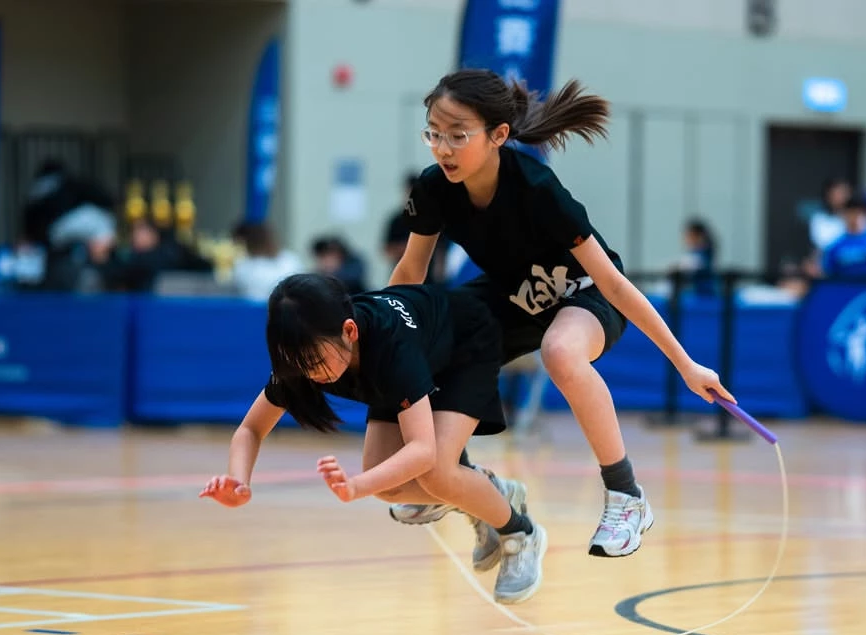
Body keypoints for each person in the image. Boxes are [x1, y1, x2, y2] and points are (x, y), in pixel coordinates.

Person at [385, 69, 734, 558]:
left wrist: (685, 364)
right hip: (512, 296)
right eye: (434, 134)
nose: (443, 148)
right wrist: (384, 335)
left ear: (498, 136)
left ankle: (626, 494)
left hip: (586, 295)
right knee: (438, 328)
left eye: (458, 136)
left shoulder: (536, 189)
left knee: (560, 352)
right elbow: (410, 272)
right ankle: (463, 478)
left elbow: (613, 282)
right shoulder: (433, 189)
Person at [198, 273, 546, 604]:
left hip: (462, 348)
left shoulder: (390, 345)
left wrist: (355, 487)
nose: (310, 375)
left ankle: (520, 533)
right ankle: (481, 490)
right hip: (414, 362)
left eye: (315, 362)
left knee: (435, 470)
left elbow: (422, 450)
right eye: (299, 364)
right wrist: (239, 481)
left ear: (349, 331)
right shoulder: (303, 357)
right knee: (390, 486)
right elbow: (250, 429)